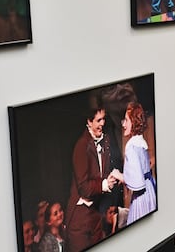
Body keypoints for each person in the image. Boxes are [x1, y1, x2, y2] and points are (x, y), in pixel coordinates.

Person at [65, 102, 121, 252]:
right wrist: (104, 184)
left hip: (96, 213)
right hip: (80, 216)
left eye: (104, 119)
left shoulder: (106, 141)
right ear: (89, 122)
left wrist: (112, 178)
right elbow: (83, 187)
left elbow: (103, 174)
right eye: (98, 120)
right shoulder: (81, 146)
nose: (102, 123)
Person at [119, 102, 157, 223]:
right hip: (150, 191)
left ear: (134, 122)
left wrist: (117, 175)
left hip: (141, 196)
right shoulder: (141, 142)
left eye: (126, 120)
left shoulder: (131, 146)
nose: (124, 124)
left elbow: (136, 182)